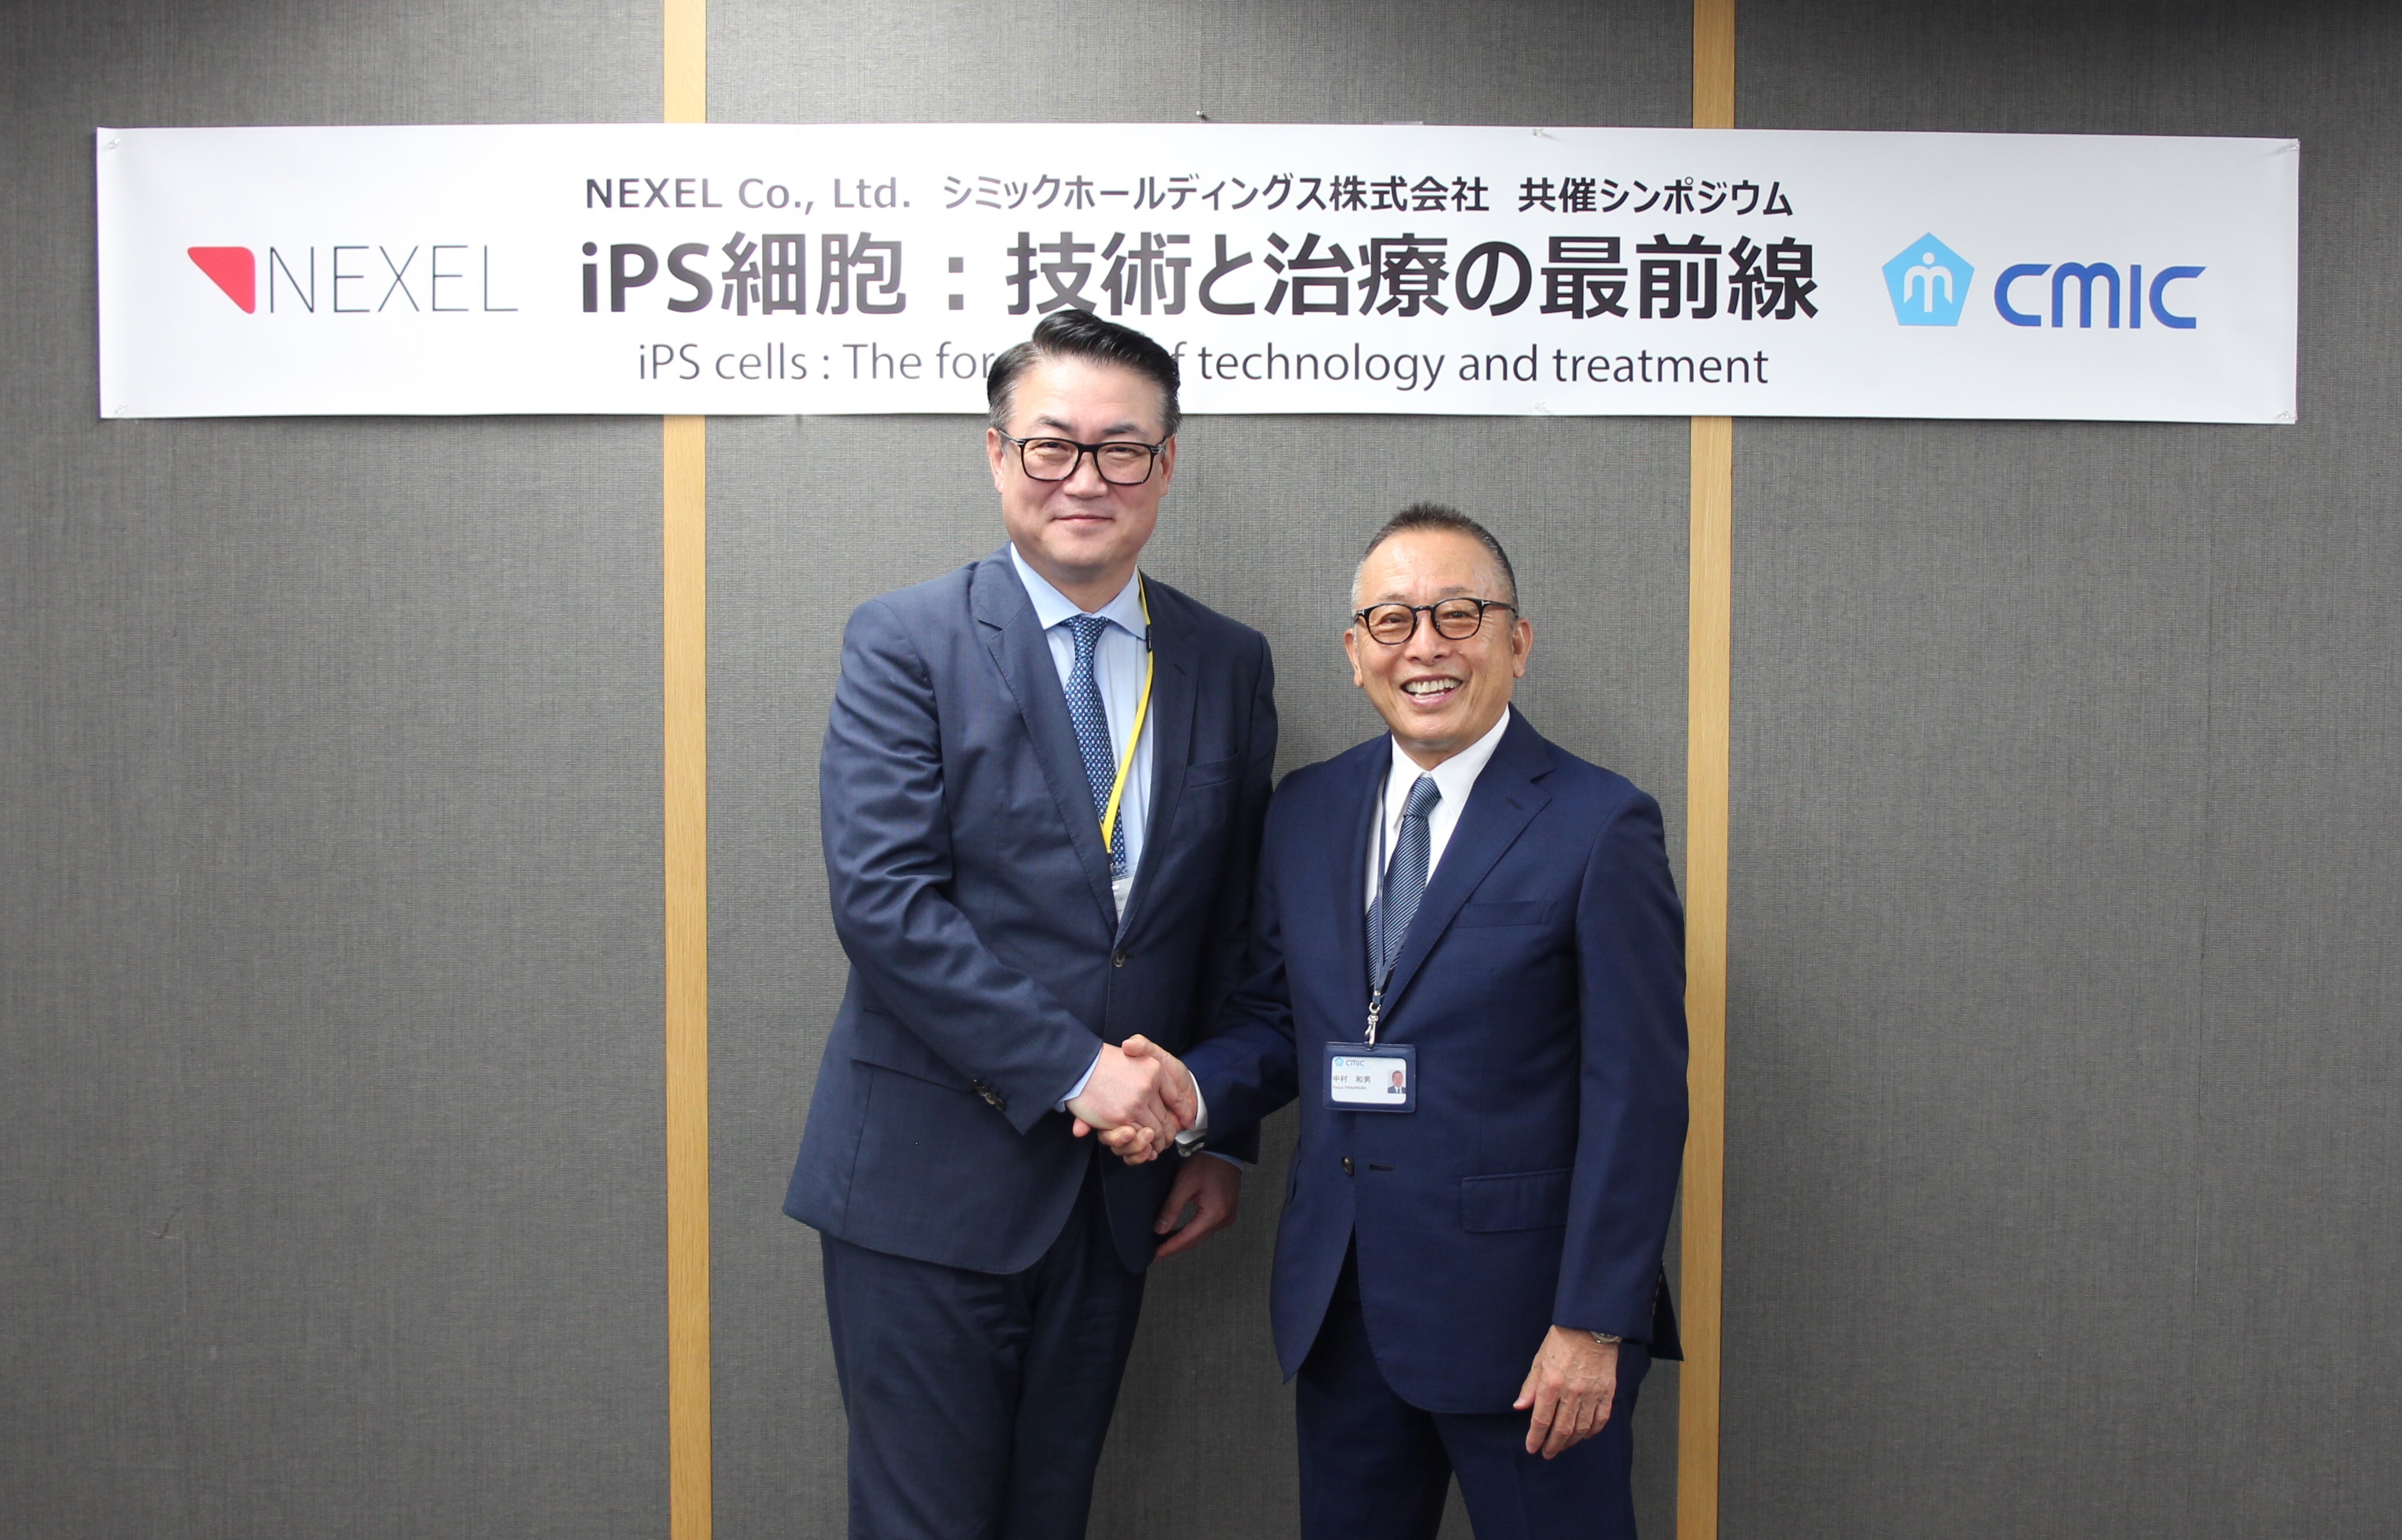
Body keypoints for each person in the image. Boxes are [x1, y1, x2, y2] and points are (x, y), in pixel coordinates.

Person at [785, 310, 1276, 1539]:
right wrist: (1077, 1069)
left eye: (1123, 449)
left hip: (1119, 1195)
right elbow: (885, 903)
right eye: (1053, 445)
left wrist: (1215, 1129)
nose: (1085, 478)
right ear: (999, 455)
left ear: (1167, 464)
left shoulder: (1227, 662)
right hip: (926, 1189)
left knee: (1050, 1516)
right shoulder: (907, 639)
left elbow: (1227, 922)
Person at [1117, 505, 1687, 1540]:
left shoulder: (1600, 823)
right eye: (1391, 620)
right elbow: (1277, 1014)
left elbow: (1636, 1099)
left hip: (1533, 1334)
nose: (1424, 646)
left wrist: (1594, 1322)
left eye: (1458, 614)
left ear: (1517, 642)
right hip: (1344, 1312)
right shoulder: (1307, 809)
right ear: (1354, 653)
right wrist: (1189, 1091)